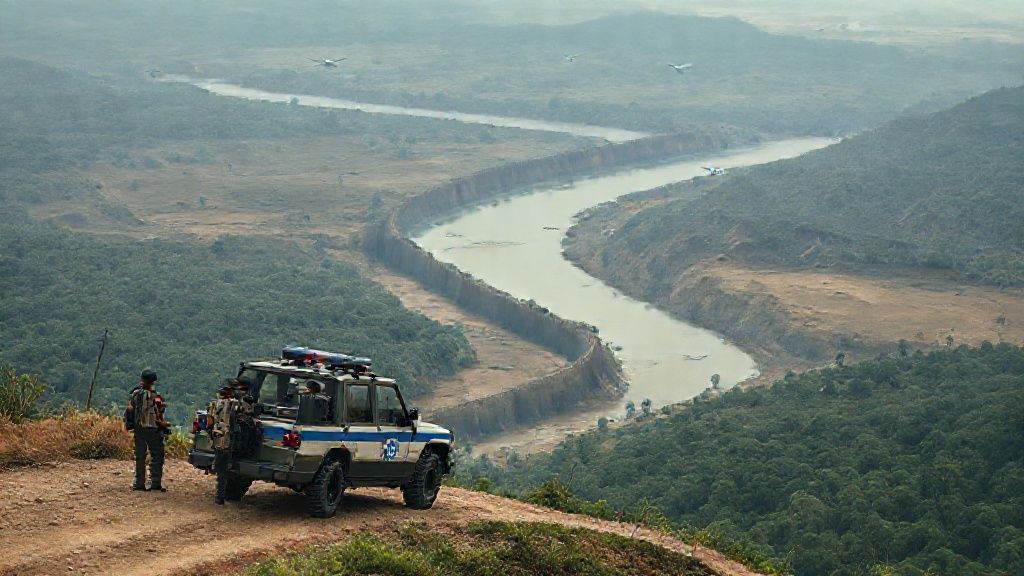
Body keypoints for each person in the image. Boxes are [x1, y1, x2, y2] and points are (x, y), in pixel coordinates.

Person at [127, 369, 166, 492]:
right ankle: (155, 482)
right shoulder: (155, 396)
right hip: (153, 428)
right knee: (157, 455)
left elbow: (130, 409)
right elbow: (159, 411)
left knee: (140, 456)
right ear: (153, 382)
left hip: (139, 428)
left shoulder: (134, 394)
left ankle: (139, 483)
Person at [207, 384, 239, 505]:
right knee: (226, 470)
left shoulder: (214, 404)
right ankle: (221, 496)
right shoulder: (234, 404)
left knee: (221, 470)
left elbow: (209, 421)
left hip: (217, 439)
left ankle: (220, 496)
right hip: (229, 441)